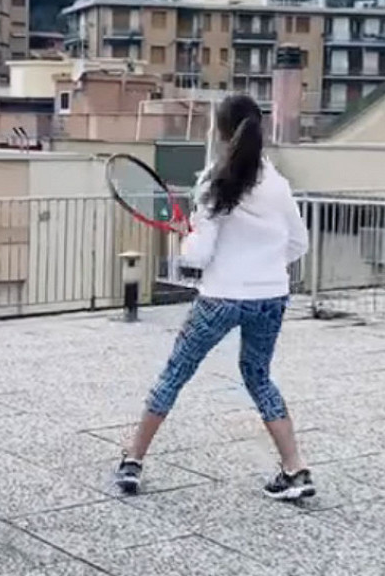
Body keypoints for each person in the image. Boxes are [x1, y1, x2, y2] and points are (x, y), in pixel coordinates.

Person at [116, 93, 313, 500]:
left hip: (221, 297)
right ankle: (296, 469)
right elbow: (299, 243)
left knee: (176, 372)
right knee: (259, 376)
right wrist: (263, 265)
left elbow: (198, 256)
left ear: (221, 133)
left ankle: (133, 460)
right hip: (271, 296)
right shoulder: (278, 184)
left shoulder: (213, 181)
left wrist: (186, 238)